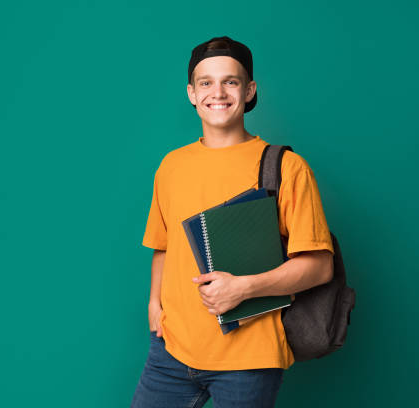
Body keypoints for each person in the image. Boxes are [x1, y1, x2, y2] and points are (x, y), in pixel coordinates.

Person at [130, 36, 336, 408]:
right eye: (206, 82)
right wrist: (154, 305)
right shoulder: (171, 166)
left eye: (231, 81)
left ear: (250, 90)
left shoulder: (287, 168)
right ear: (192, 93)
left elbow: (320, 267)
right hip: (170, 352)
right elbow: (163, 246)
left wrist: (243, 289)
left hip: (249, 359)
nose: (218, 92)